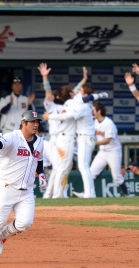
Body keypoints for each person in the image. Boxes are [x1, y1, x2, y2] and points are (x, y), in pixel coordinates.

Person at [0, 110, 46, 264]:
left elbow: (39, 159)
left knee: (25, 222)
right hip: (6, 187)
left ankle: (2, 237)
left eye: (37, 122)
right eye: (32, 122)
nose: (36, 125)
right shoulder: (12, 137)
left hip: (27, 190)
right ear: (23, 123)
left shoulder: (40, 142)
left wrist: (41, 174)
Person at [43, 67, 108, 198]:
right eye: (73, 93)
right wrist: (100, 93)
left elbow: (78, 95)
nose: (75, 93)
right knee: (63, 168)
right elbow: (78, 95)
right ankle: (58, 194)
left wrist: (85, 81)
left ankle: (61, 194)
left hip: (70, 139)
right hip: (64, 139)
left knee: (66, 167)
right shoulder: (72, 104)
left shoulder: (72, 104)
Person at [89, 101, 130, 197]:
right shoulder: (94, 122)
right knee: (91, 173)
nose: (92, 112)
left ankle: (127, 194)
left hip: (113, 151)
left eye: (93, 110)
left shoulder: (108, 123)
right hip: (102, 152)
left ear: (99, 111)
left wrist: (94, 143)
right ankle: (89, 193)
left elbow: (107, 140)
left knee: (117, 177)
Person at [37, 63, 63, 199]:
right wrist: (45, 77)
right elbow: (48, 94)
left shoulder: (69, 107)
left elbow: (75, 94)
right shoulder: (52, 106)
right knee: (58, 168)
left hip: (65, 140)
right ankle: (52, 195)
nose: (54, 97)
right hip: (55, 140)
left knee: (61, 168)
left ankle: (56, 194)